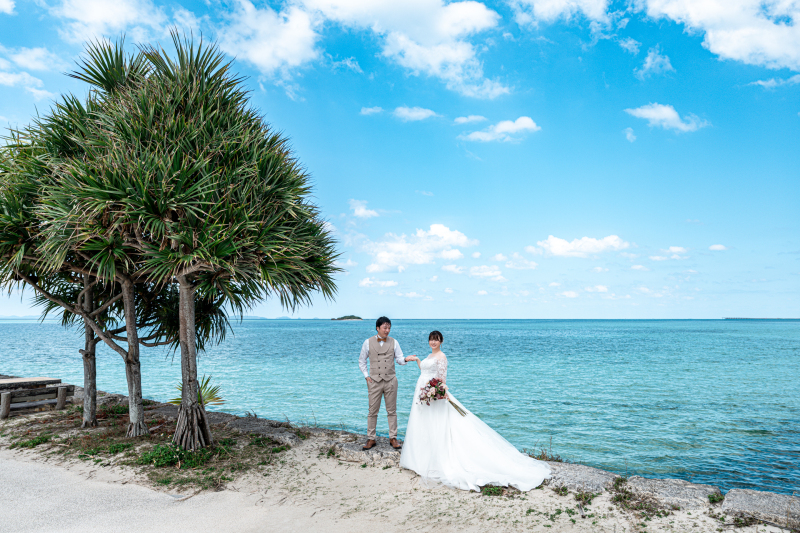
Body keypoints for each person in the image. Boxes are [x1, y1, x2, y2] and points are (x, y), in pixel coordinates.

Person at [400, 330, 551, 491]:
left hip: (434, 395)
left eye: (436, 340)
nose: (433, 342)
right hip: (422, 392)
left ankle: (436, 460)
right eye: (431, 339)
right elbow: (425, 372)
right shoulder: (429, 357)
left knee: (437, 425)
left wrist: (437, 392)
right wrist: (417, 360)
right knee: (424, 424)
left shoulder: (442, 357)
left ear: (441, 341)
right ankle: (421, 458)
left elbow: (442, 379)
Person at [358, 316, 416, 450]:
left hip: (390, 381)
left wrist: (407, 359)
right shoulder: (367, 342)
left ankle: (393, 438)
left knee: (392, 411)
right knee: (372, 411)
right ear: (377, 328)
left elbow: (399, 359)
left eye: (389, 327)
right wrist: (366, 376)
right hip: (374, 381)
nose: (387, 330)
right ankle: (371, 438)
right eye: (385, 327)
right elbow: (362, 361)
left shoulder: (394, 342)